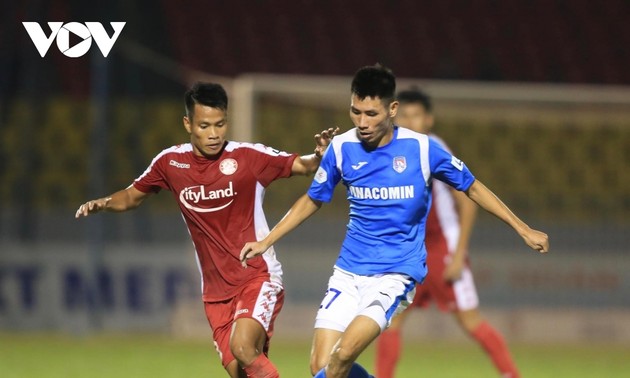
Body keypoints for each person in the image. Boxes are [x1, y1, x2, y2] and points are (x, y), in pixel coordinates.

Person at [240, 64, 549, 378]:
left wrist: (523, 229)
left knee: (342, 355)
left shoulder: (423, 149)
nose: (362, 122)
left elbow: (472, 187)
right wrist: (267, 240)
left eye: (371, 114)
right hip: (348, 272)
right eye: (355, 112)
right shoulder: (342, 147)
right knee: (320, 365)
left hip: (395, 274)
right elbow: (312, 200)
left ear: (392, 109)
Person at [75, 82, 337, 378]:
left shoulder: (247, 157)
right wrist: (104, 202)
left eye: (220, 124)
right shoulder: (170, 163)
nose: (214, 134)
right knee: (243, 370)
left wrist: (319, 156)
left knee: (242, 347)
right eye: (204, 126)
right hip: (215, 295)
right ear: (188, 123)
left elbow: (301, 166)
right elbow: (132, 196)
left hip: (257, 276)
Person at [374, 88, 520, 378]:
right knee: (391, 321)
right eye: (404, 114)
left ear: (429, 120)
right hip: (409, 251)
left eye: (416, 115)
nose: (410, 121)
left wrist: (458, 254)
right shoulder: (389, 148)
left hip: (443, 248)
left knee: (470, 320)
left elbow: (466, 201)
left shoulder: (434, 148)